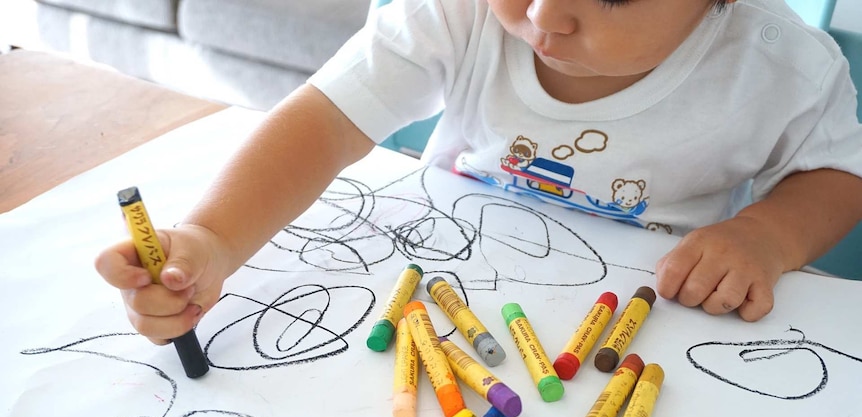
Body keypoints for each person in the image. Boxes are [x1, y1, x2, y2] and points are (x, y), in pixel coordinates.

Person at [95, 0, 862, 345]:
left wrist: (766, 234)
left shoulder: (779, 66)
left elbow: (839, 174)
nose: (546, 17)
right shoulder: (455, 12)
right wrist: (213, 237)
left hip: (648, 328)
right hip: (447, 302)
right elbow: (325, 121)